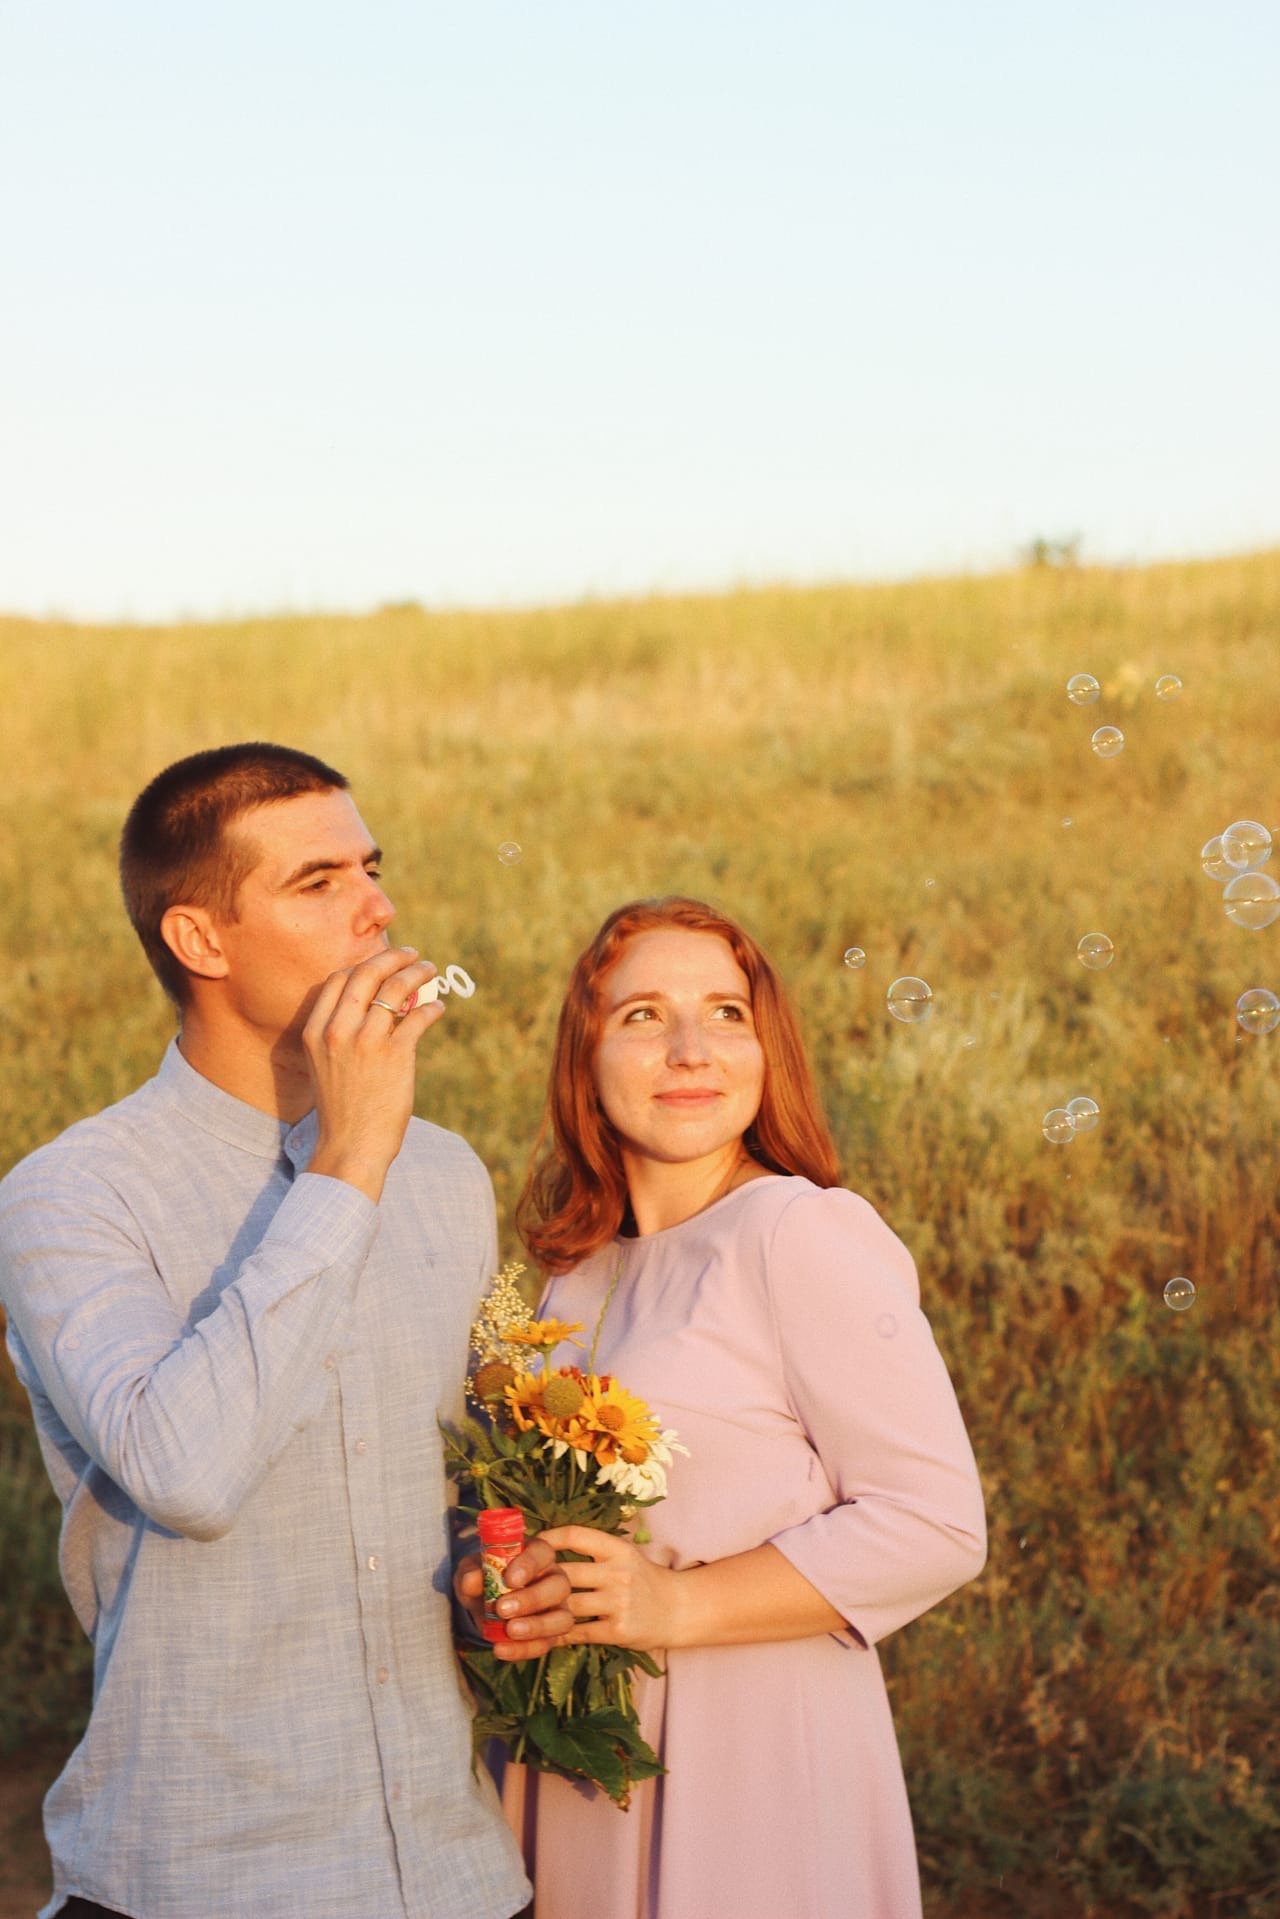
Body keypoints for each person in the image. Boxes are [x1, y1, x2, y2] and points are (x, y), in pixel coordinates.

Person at [0, 742, 574, 1919]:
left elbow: (463, 1483)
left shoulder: (448, 1173)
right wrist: (352, 1152)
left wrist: (500, 1572)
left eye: (371, 866)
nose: (380, 907)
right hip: (202, 1873)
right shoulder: (71, 1193)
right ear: (201, 941)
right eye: (318, 882)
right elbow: (188, 1473)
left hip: (457, 1869)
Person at [495, 895, 987, 1919]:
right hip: (583, 1763)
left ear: (767, 1051)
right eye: (640, 1016)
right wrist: (498, 1574)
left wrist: (674, 1603)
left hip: (749, 1757)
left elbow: (934, 1523)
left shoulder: (797, 1233)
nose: (688, 1048)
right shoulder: (573, 1273)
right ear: (582, 1056)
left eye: (725, 1011)